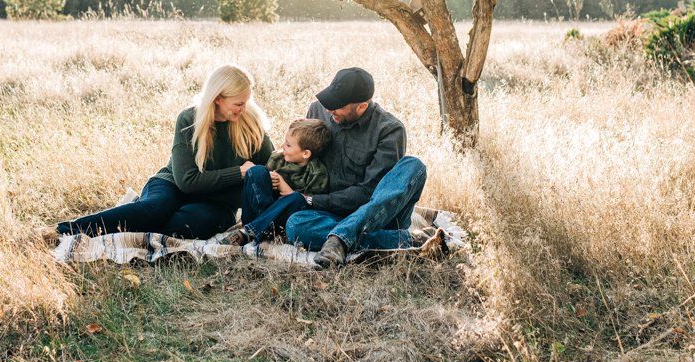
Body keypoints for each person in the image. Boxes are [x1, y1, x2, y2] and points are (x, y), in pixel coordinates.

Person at [55, 64, 273, 239]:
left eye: (246, 102)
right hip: (173, 185)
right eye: (238, 103)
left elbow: (271, 166)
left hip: (218, 204)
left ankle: (136, 221)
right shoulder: (189, 119)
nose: (244, 109)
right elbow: (187, 181)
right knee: (156, 208)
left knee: (189, 224)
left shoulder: (250, 123)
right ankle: (64, 231)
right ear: (218, 98)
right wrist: (239, 173)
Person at [283, 66, 446, 268]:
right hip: (330, 213)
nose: (328, 110)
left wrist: (315, 200)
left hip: (377, 214)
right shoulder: (317, 111)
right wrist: (295, 135)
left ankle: (340, 239)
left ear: (361, 107)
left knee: (414, 165)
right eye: (329, 102)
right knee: (295, 225)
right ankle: (406, 240)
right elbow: (304, 158)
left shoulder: (389, 129)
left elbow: (372, 193)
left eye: (337, 106)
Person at [218, 117, 332, 245]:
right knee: (256, 171)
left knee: (298, 198)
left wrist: (286, 189)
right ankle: (261, 229)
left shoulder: (317, 173)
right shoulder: (277, 159)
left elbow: (309, 207)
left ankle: (251, 232)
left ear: (305, 153)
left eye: (288, 145)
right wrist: (268, 179)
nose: (282, 146)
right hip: (257, 217)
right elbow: (260, 191)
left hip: (282, 223)